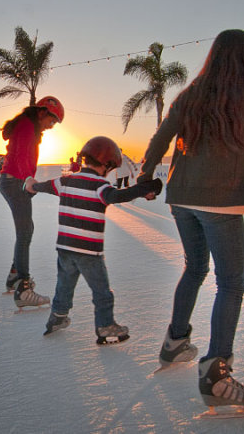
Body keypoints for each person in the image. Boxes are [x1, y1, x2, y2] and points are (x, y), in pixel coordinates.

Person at [138, 30, 244, 413]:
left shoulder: (191, 93)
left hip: (182, 196)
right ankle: (216, 374)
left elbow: (161, 138)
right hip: (221, 200)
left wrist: (145, 175)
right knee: (231, 282)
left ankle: (175, 343)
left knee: (195, 267)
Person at [25, 136, 161, 344]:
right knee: (102, 291)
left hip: (65, 248)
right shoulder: (100, 185)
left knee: (64, 285)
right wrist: (145, 190)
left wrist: (31, 185)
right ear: (107, 164)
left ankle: (57, 317)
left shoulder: (65, 181)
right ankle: (105, 325)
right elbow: (117, 196)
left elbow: (42, 186)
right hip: (89, 251)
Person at [0, 95, 65, 308]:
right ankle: (23, 289)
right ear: (42, 112)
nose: (52, 126)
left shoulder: (28, 125)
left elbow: (23, 156)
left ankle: (15, 274)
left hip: (14, 181)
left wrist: (27, 178)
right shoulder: (27, 125)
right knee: (25, 231)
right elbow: (20, 156)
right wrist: (27, 179)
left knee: (26, 229)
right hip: (15, 182)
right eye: (52, 120)